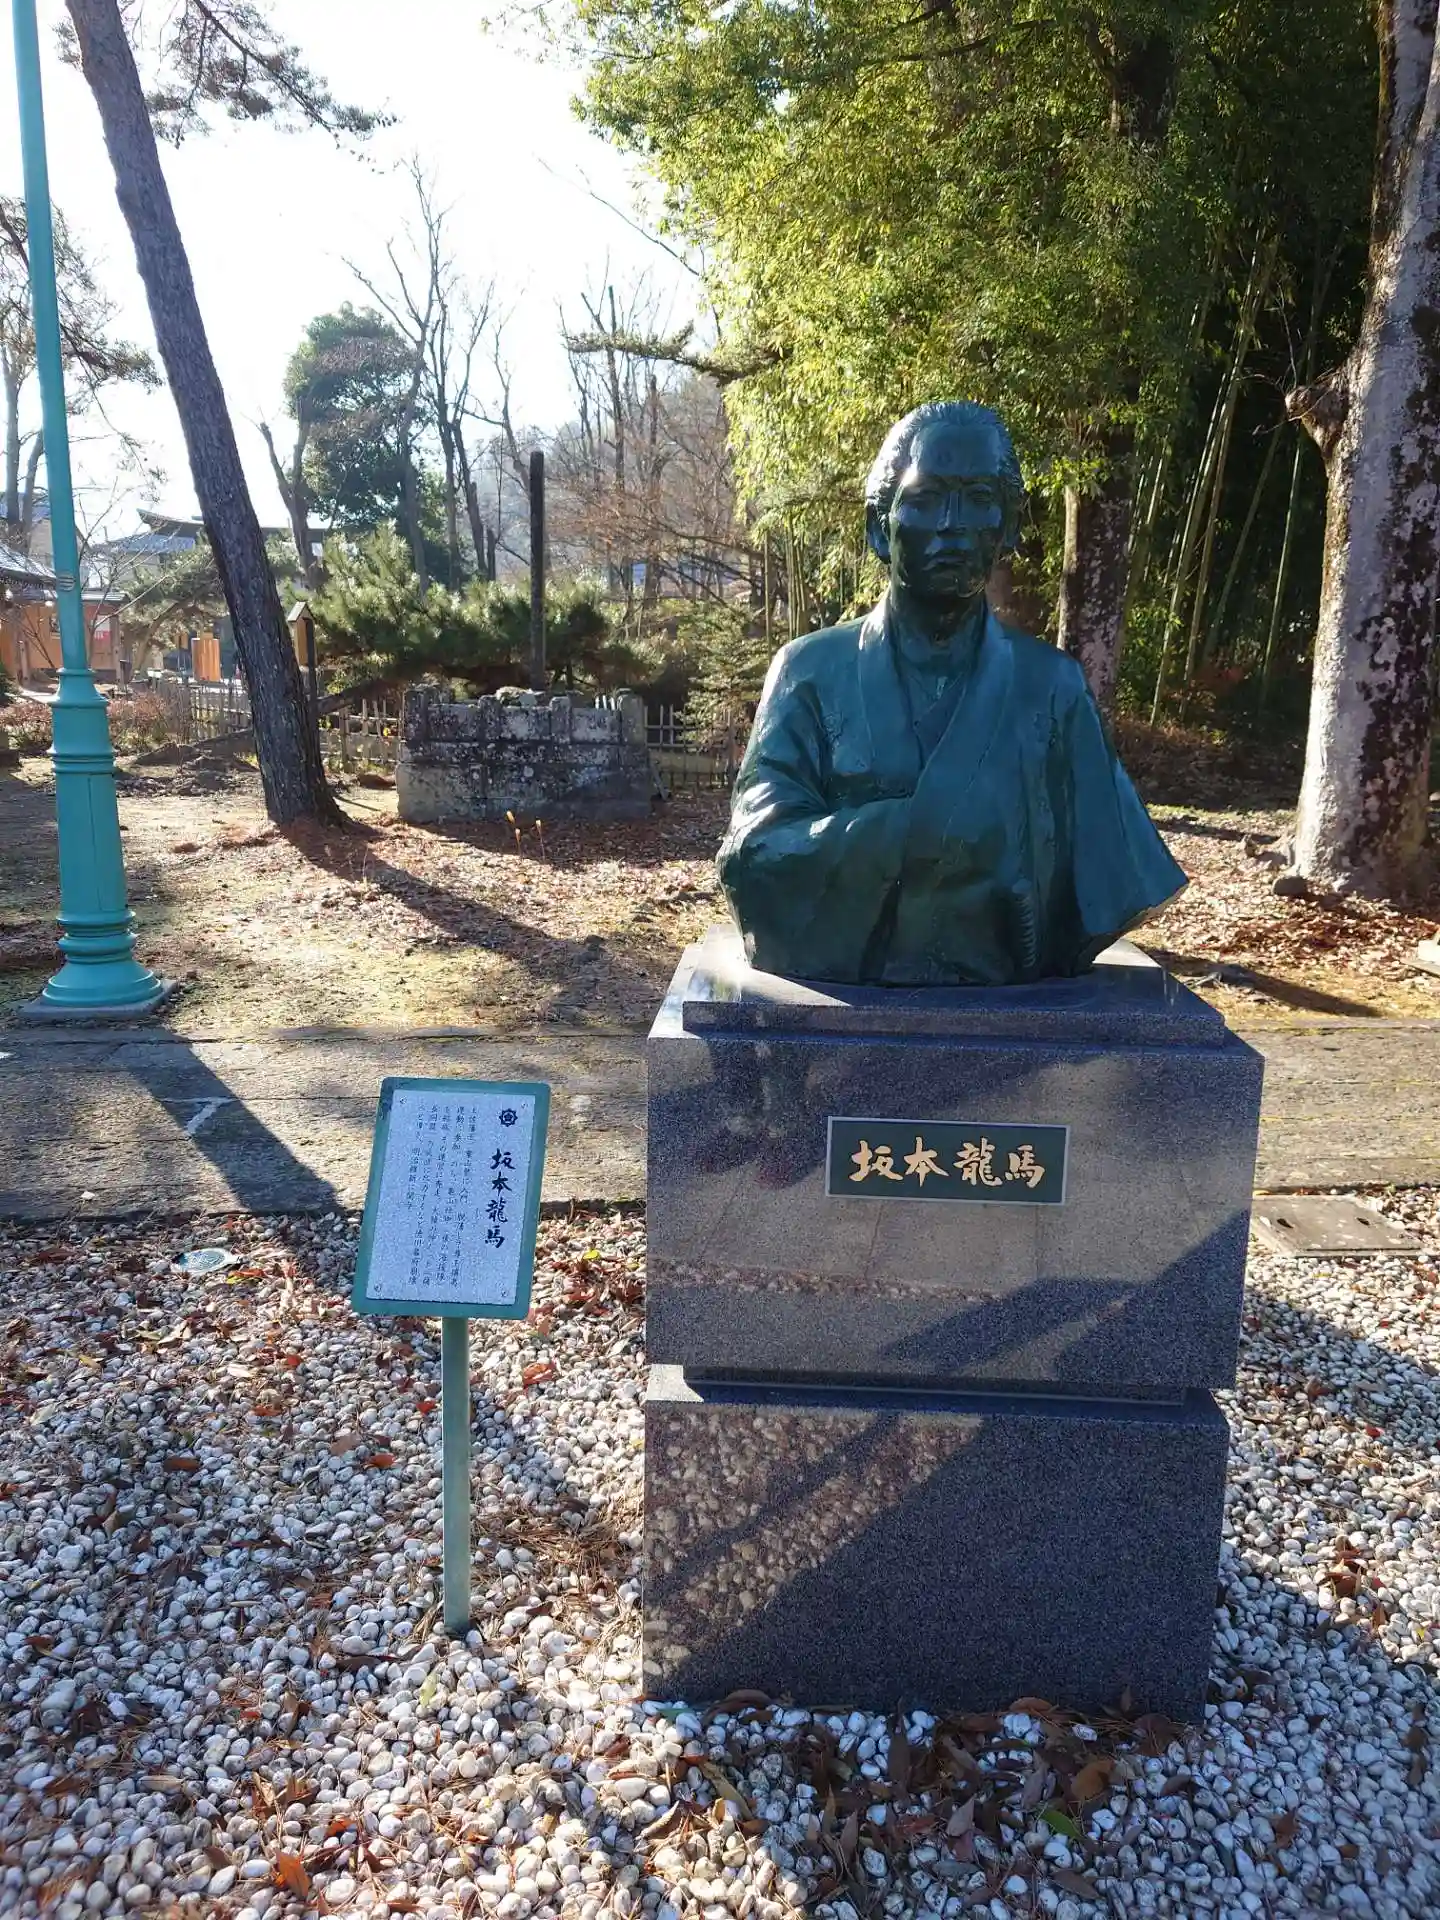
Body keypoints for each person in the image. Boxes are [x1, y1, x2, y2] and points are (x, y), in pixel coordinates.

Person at [718, 400, 1186, 985]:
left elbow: (1111, 878)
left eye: (979, 498)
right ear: (879, 528)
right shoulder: (809, 671)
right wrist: (922, 833)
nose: (952, 523)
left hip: (1011, 992)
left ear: (1008, 529)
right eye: (926, 498)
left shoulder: (1053, 689)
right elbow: (755, 857)